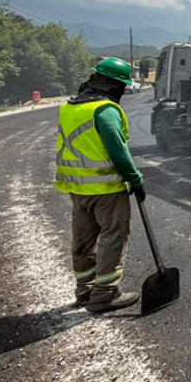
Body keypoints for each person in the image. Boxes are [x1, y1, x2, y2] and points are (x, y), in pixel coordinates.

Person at [55, 57, 145, 313]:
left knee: (83, 240)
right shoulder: (104, 110)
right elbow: (117, 150)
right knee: (113, 236)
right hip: (106, 190)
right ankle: (105, 294)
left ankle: (85, 290)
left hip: (77, 188)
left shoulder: (69, 106)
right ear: (113, 84)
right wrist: (134, 177)